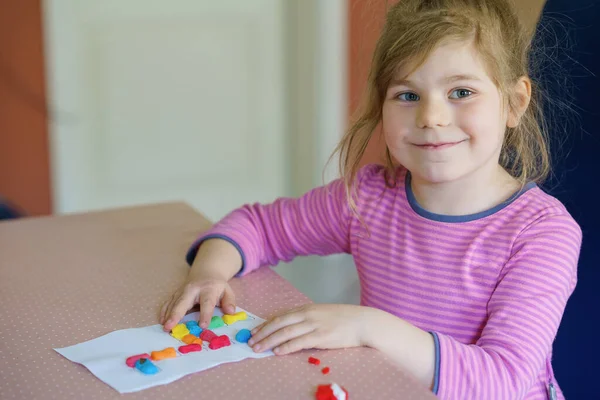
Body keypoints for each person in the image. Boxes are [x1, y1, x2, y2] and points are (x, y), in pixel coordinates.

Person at [160, 0, 581, 398]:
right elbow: (258, 225)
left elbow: (501, 382)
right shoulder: (368, 199)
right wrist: (210, 273)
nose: (431, 116)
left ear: (514, 103)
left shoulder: (542, 232)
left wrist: (367, 327)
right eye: (407, 95)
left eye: (461, 92)